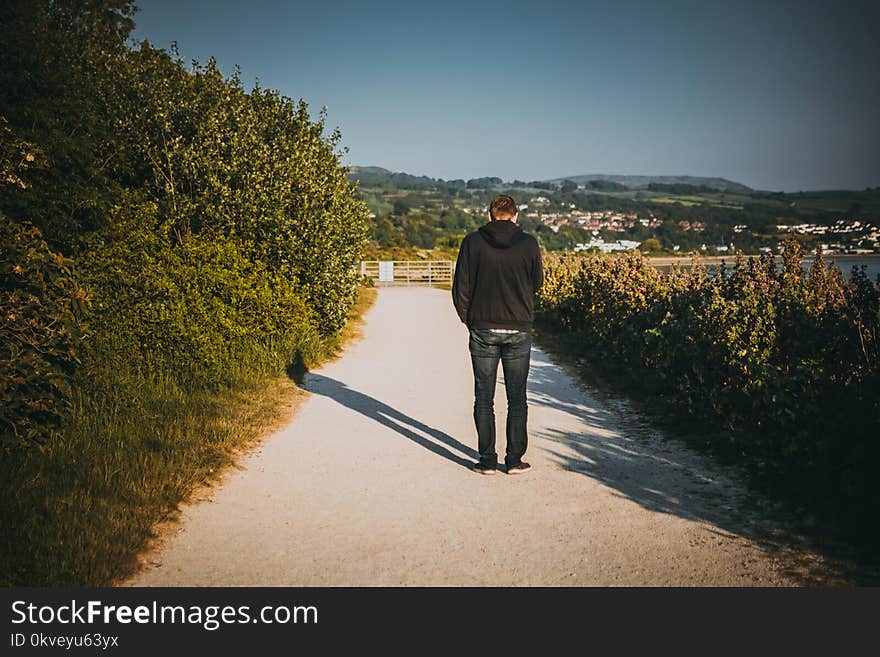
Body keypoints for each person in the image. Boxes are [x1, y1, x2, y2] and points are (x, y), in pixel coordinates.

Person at [452, 194, 543, 475]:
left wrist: (471, 321)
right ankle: (514, 460)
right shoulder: (529, 244)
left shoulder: (472, 242)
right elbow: (537, 282)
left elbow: (461, 289)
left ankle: (487, 460)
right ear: (515, 216)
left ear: (490, 215)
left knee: (484, 397)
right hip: (518, 328)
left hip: (483, 328)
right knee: (517, 398)